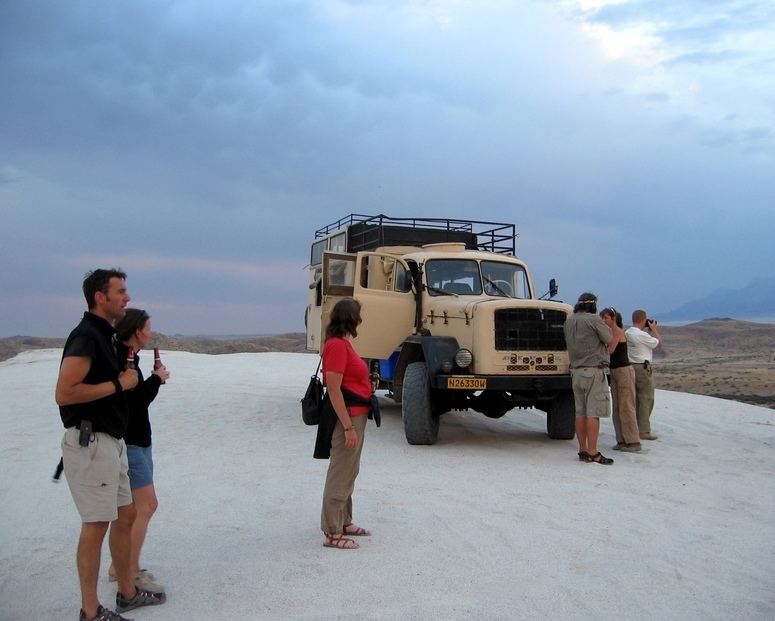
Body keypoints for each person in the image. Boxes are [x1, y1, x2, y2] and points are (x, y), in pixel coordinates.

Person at [56, 269, 166, 621]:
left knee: (127, 514)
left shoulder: (105, 336)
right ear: (99, 297)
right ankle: (90, 612)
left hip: (111, 443)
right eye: (121, 291)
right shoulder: (87, 336)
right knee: (96, 525)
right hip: (92, 442)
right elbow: (65, 392)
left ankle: (127, 592)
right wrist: (120, 384)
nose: (128, 297)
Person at [106, 309, 170, 595]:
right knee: (145, 506)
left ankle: (118, 567)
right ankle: (129, 571)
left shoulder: (128, 357)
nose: (149, 333)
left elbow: (137, 400)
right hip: (131, 442)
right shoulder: (123, 359)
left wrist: (154, 379)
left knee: (132, 511)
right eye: (147, 328)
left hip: (139, 441)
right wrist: (157, 379)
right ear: (135, 330)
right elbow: (135, 403)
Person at [319, 298, 373, 549]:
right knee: (341, 472)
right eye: (358, 316)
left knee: (350, 470)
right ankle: (332, 531)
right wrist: (348, 427)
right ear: (351, 319)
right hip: (347, 418)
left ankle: (344, 520)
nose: (361, 320)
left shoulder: (343, 344)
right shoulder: (337, 347)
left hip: (356, 414)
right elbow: (334, 389)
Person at [563, 292, 614, 465]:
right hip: (593, 370)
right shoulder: (594, 320)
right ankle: (593, 451)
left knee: (580, 412)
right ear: (593, 305)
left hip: (576, 372)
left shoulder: (569, 320)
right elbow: (608, 338)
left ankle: (582, 449)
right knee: (594, 413)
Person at [600, 308, 641, 452]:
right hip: (614, 371)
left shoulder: (618, 332)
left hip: (624, 371)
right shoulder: (609, 333)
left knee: (626, 405)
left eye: (606, 318)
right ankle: (621, 439)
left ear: (613, 318)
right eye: (602, 318)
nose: (603, 321)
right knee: (617, 406)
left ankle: (633, 440)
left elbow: (610, 350)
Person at [626, 309, 662, 440]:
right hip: (642, 367)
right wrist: (654, 330)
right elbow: (659, 344)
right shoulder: (642, 335)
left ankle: (634, 428)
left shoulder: (628, 333)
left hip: (631, 366)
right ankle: (644, 431)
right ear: (643, 319)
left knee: (634, 399)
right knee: (646, 399)